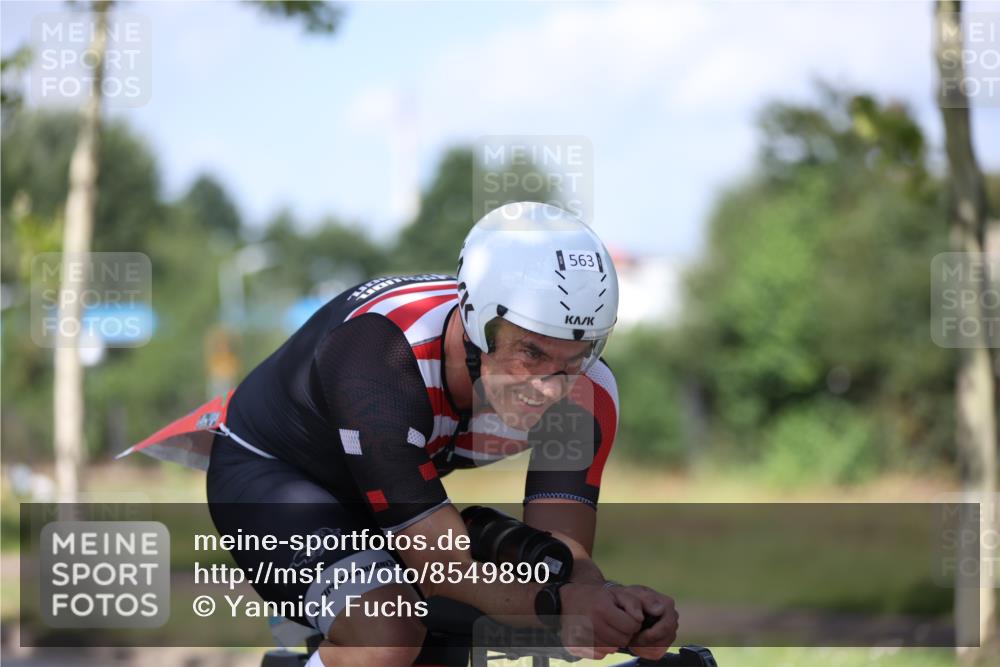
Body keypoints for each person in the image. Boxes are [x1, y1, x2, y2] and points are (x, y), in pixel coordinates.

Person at [121, 202, 678, 666]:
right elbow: (443, 572)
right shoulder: (380, 358)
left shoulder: (587, 394)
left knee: (530, 584)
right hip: (273, 477)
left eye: (576, 358)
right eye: (530, 351)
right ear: (475, 321)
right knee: (387, 630)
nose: (551, 387)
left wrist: (612, 607)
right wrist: (561, 607)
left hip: (384, 489)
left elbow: (566, 560)